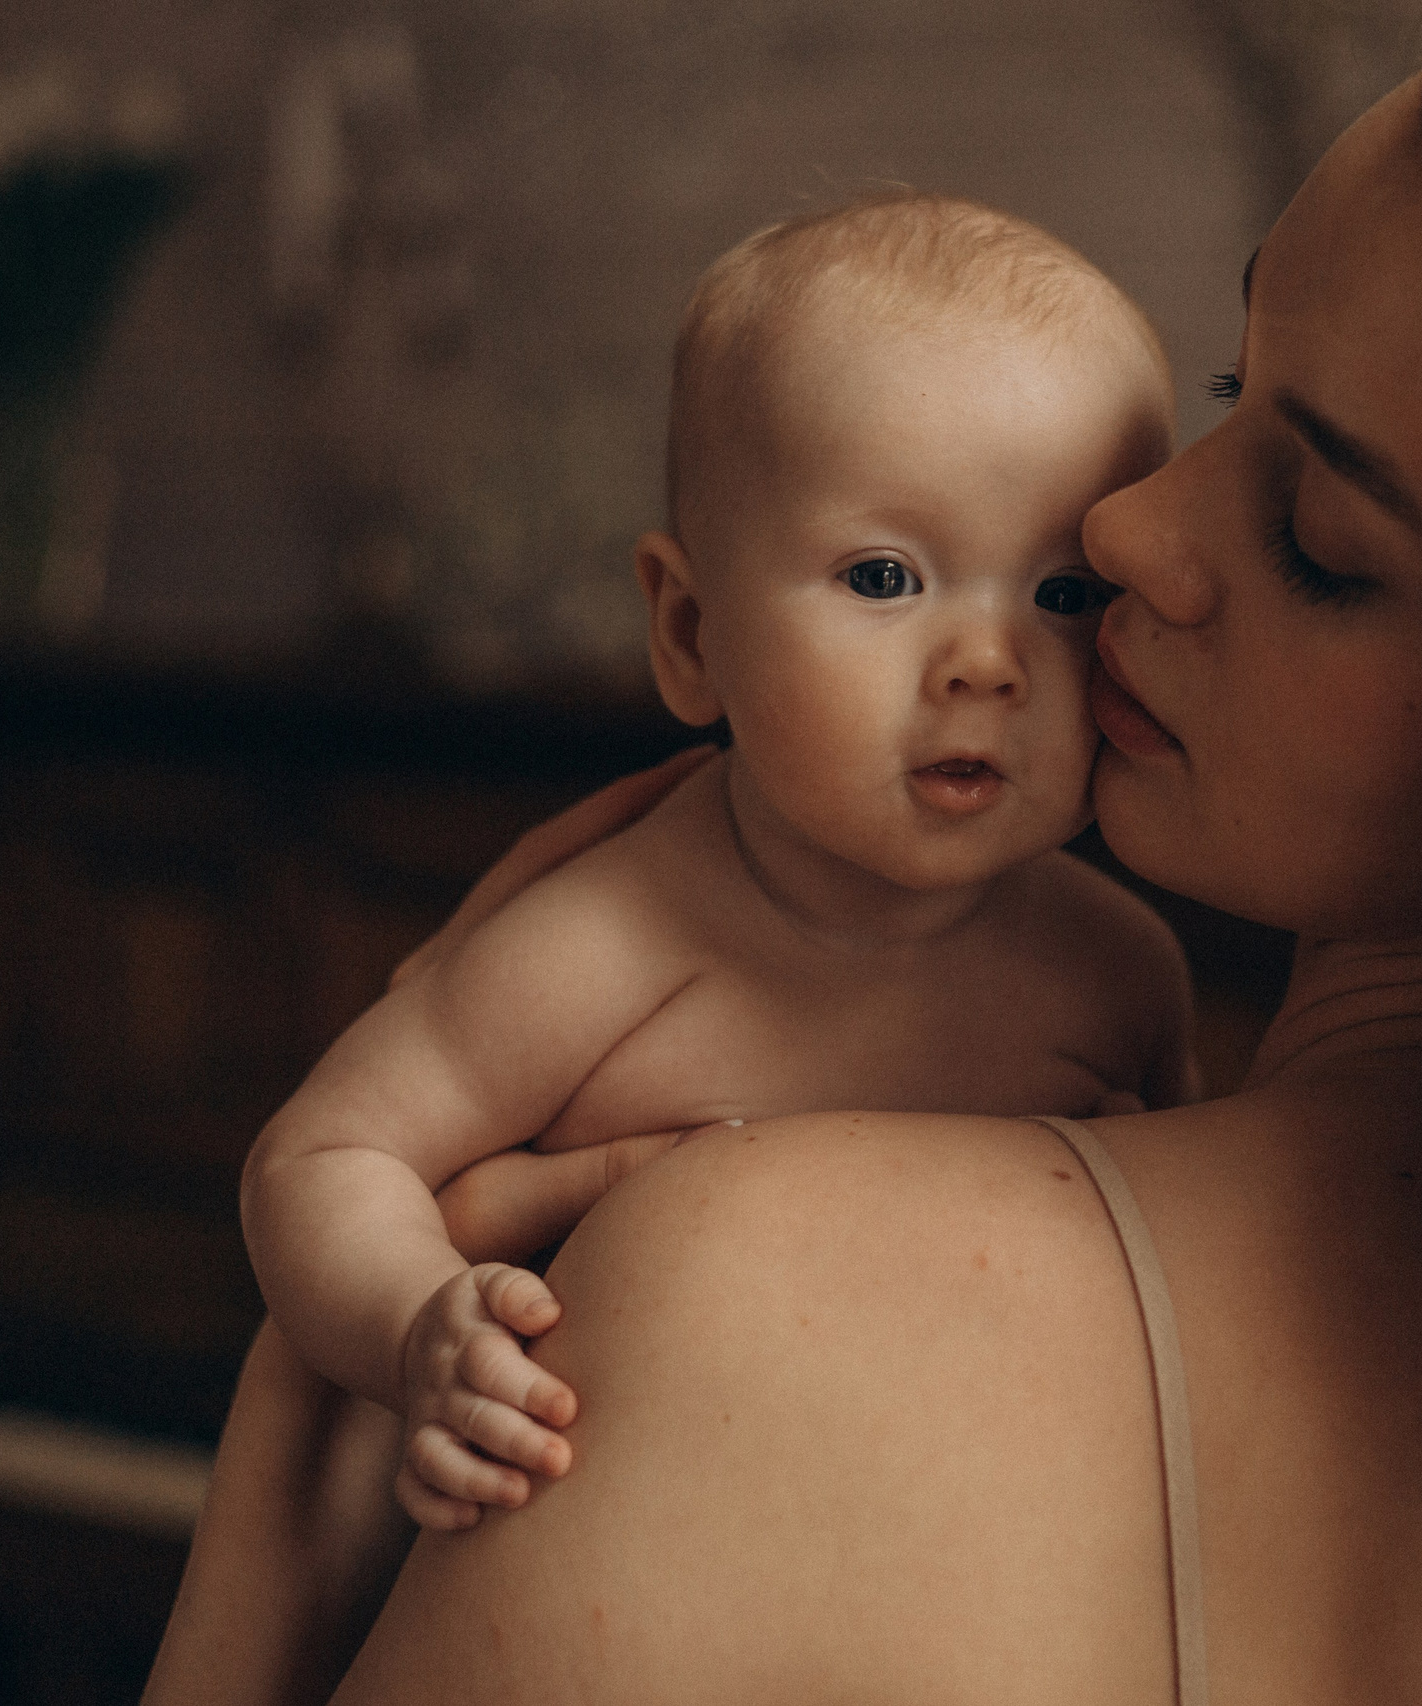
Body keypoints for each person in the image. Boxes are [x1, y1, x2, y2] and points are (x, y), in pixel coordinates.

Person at [164, 0, 1422, 1700]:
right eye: (1226, 395)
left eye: (1316, 536)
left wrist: (285, 1457)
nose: (1118, 535)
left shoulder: (736, 1290)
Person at [241, 194, 1194, 1527]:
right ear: (691, 631)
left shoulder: (1118, 973)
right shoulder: (610, 946)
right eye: (882, 578)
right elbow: (321, 1157)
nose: (988, 662)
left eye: (1064, 593)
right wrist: (419, 1324)